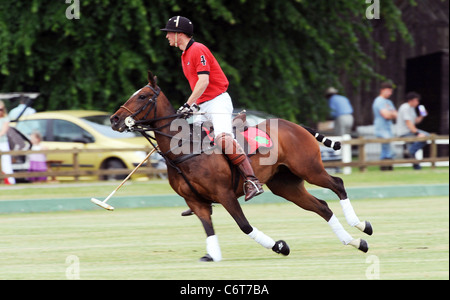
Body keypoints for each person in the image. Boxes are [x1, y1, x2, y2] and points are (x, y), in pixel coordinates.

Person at [160, 16, 263, 209]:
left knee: (223, 138)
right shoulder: (184, 55)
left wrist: (188, 104)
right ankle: (200, 193)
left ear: (179, 34)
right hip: (202, 105)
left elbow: (204, 81)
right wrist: (193, 106)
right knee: (191, 144)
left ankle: (252, 181)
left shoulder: (198, 49)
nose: (166, 37)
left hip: (217, 101)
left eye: (168, 33)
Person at [396, 92, 429, 170]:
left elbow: (415, 122)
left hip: (410, 131)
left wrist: (422, 116)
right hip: (404, 132)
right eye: (416, 100)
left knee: (412, 152)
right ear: (411, 100)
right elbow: (408, 123)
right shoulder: (405, 107)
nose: (418, 103)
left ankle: (417, 167)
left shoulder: (411, 108)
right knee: (426, 136)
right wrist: (417, 133)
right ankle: (410, 151)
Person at [372, 82, 397, 170]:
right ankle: (385, 166)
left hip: (389, 128)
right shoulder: (379, 101)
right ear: (382, 90)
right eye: (388, 91)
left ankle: (386, 166)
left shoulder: (389, 102)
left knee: (387, 148)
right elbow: (386, 115)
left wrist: (390, 114)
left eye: (391, 91)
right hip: (381, 128)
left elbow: (396, 114)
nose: (389, 93)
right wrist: (391, 114)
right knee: (387, 147)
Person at [0, 101, 16, 184]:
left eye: (1, 109)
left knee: (6, 161)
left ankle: (10, 181)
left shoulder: (5, 119)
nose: (0, 111)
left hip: (3, 143)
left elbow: (3, 131)